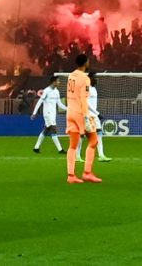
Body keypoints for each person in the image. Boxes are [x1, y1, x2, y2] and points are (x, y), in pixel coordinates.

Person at [64, 52, 100, 185]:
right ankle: (87, 173)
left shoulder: (71, 75)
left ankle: (71, 175)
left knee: (72, 145)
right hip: (80, 112)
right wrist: (86, 117)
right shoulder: (85, 79)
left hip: (70, 111)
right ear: (85, 63)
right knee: (94, 140)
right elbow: (84, 100)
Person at [31, 77, 65, 154]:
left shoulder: (57, 91)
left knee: (46, 130)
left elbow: (59, 104)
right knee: (54, 129)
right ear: (54, 82)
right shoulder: (46, 91)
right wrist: (34, 113)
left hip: (53, 114)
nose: (59, 82)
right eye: (58, 81)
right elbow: (40, 102)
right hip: (47, 113)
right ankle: (60, 149)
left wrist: (68, 108)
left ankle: (36, 147)